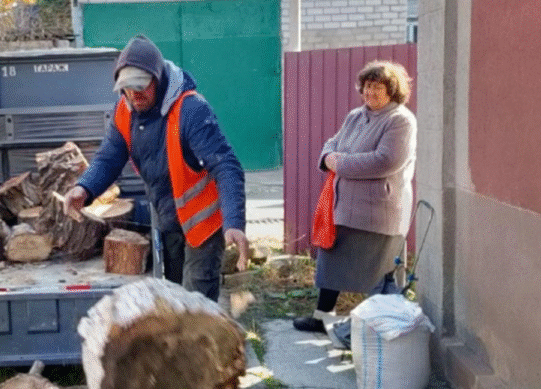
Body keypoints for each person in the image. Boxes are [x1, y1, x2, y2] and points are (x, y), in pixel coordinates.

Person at [63, 35, 249, 302]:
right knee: (172, 298)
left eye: (141, 85)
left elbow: (226, 166)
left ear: (158, 79)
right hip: (168, 219)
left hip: (203, 225)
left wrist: (234, 222)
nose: (134, 94)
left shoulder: (191, 109)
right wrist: (84, 187)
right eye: (127, 87)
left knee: (195, 305)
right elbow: (109, 157)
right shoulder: (124, 111)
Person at [293, 60, 417, 333]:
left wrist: (339, 163)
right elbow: (333, 142)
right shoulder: (356, 116)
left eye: (377, 87)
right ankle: (322, 318)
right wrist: (328, 156)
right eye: (366, 86)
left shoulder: (400, 120)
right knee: (330, 262)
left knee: (376, 272)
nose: (369, 93)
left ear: (392, 90)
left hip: (376, 211)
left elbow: (385, 161)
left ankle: (381, 325)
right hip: (343, 207)